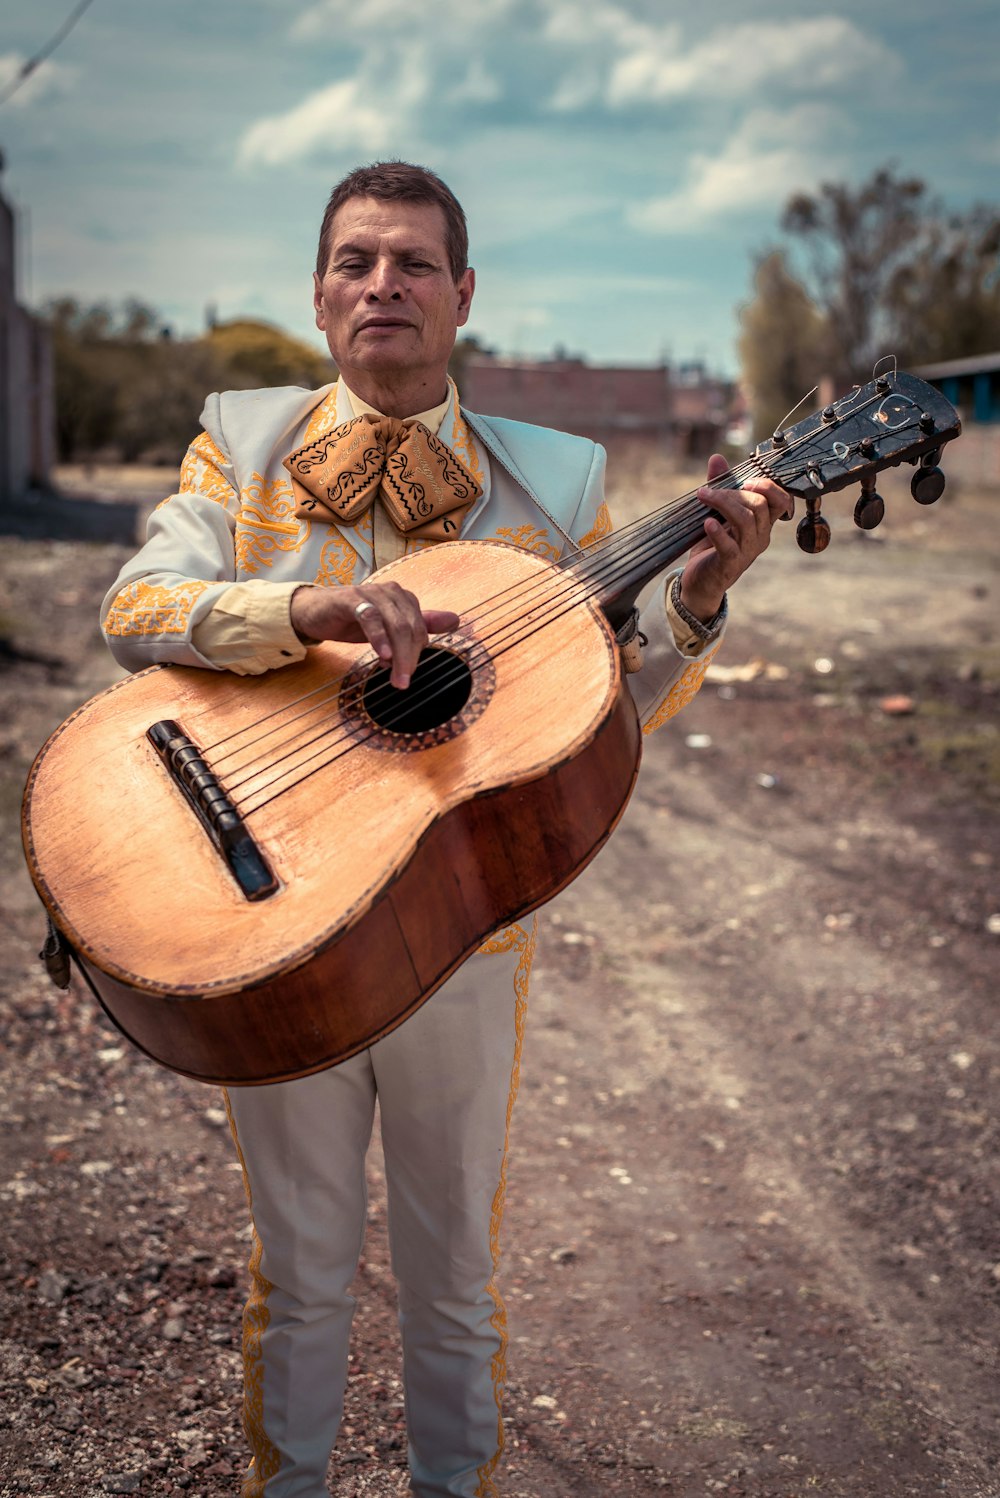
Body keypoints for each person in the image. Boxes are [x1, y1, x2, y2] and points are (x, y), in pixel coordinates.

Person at [100, 162, 792, 1498]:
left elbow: (604, 708)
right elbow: (138, 608)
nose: (383, 284)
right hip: (272, 912)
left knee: (452, 1275)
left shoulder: (559, 481)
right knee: (295, 1271)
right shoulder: (236, 445)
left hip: (456, 931)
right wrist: (300, 616)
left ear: (463, 293)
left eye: (413, 262)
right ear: (318, 293)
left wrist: (695, 604)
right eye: (356, 260)